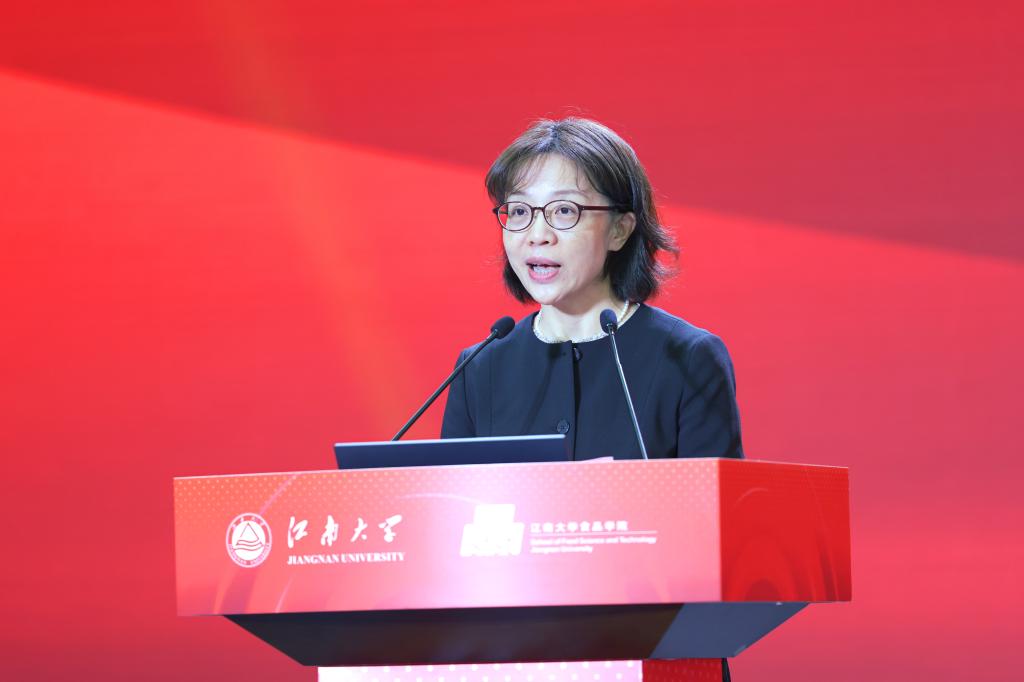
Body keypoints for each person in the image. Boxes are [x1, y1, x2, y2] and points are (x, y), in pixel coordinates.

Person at [441, 117, 743, 464]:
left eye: (564, 210)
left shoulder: (686, 359)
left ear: (619, 230)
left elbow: (717, 497)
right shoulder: (479, 369)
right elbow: (453, 495)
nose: (537, 235)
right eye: (520, 211)